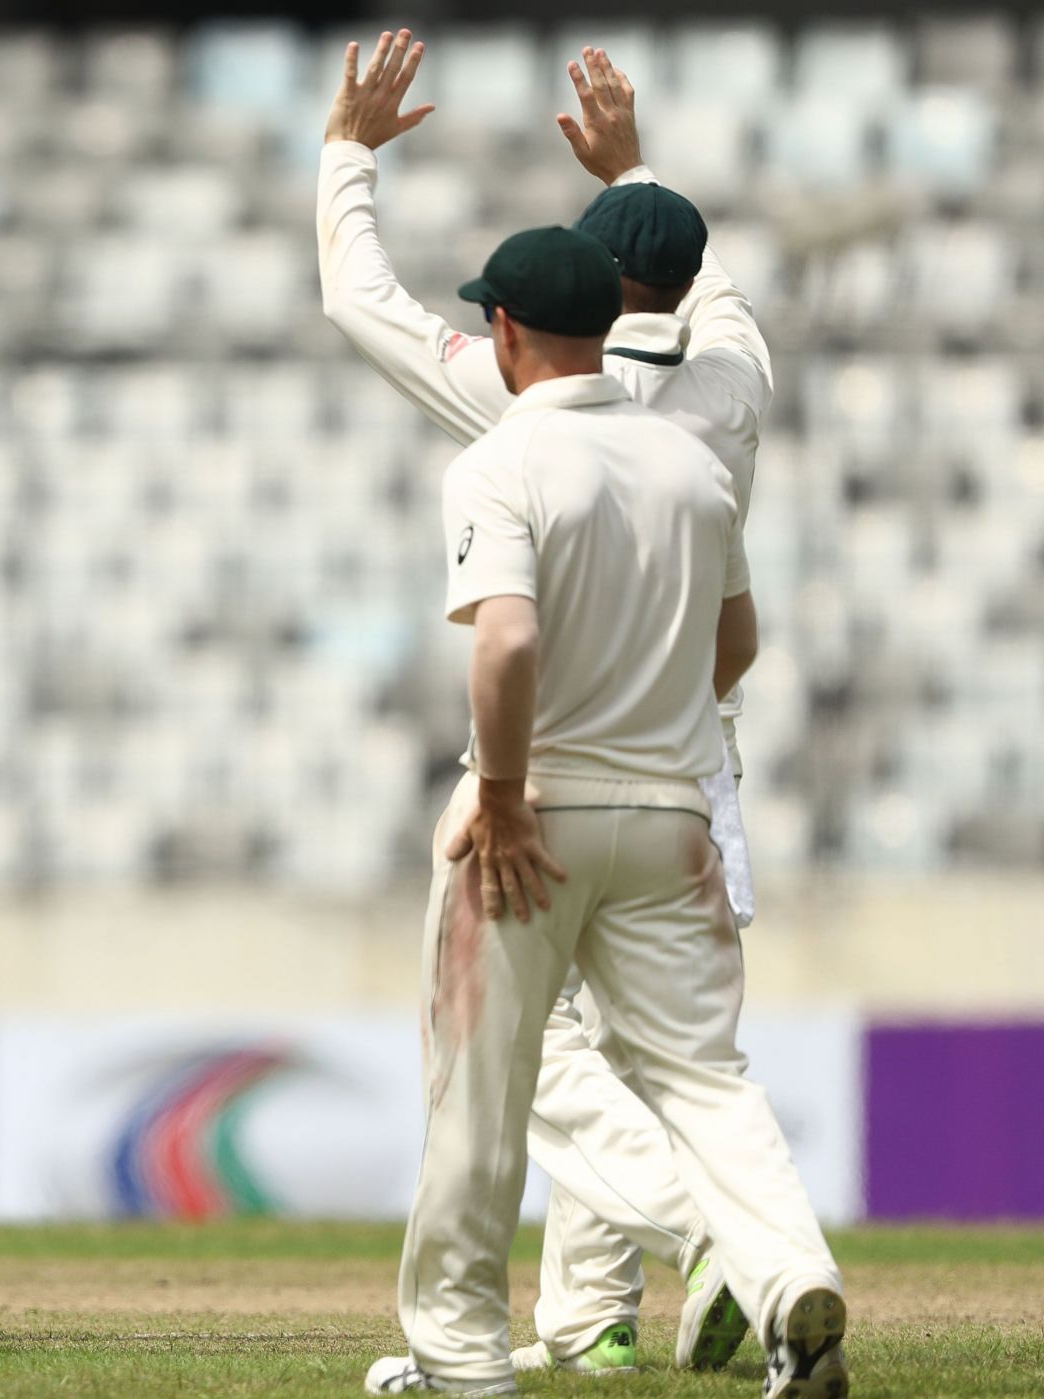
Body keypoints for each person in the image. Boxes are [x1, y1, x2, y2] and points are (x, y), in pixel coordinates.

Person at [320, 34, 778, 1377]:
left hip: (551, 757)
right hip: (692, 755)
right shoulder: (735, 380)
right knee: (659, 1044)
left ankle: (711, 1236)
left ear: (559, 300)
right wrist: (641, 171)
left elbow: (362, 300)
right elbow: (722, 285)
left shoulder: (530, 399)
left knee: (529, 1051)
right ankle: (592, 1315)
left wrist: (348, 153)